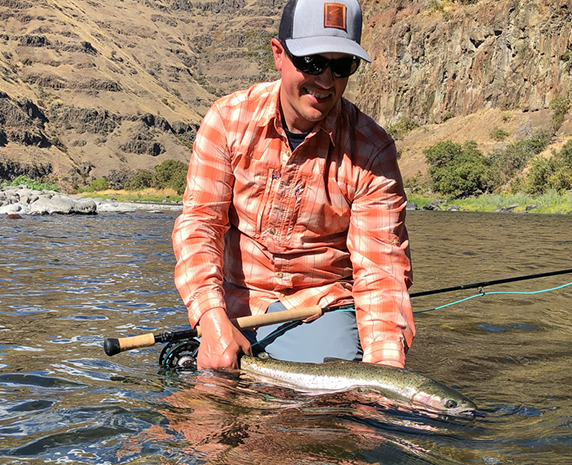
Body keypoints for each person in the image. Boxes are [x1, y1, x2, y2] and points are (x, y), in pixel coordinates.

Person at [172, 0, 414, 371]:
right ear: (279, 54)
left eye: (341, 66)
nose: (326, 81)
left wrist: (384, 374)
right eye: (313, 63)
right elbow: (200, 227)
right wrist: (209, 315)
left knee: (328, 414)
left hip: (321, 307)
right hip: (234, 300)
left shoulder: (373, 152)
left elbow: (382, 273)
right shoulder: (226, 120)